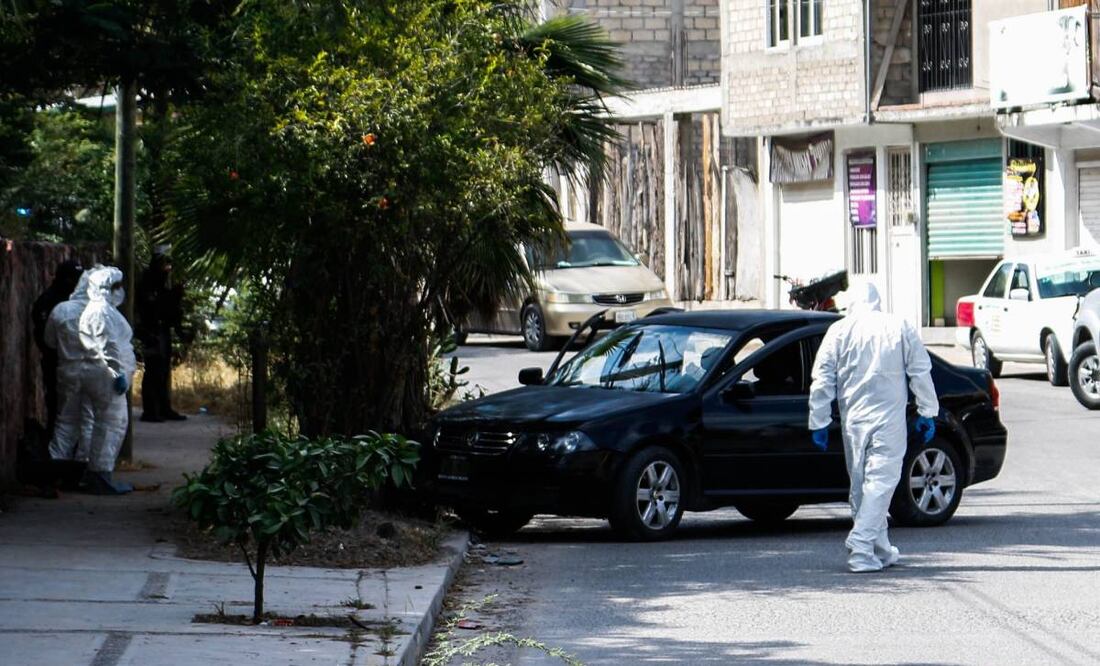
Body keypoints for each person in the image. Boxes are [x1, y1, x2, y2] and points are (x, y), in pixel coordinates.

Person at [807, 283, 938, 573]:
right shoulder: (899, 326)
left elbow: (822, 378)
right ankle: (862, 544)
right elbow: (919, 370)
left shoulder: (839, 331)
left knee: (862, 485)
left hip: (853, 420)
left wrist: (819, 420)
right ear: (878, 300)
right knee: (881, 481)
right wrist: (928, 410)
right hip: (888, 419)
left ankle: (878, 549)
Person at [49, 265, 136, 494]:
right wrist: (117, 374)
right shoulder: (99, 311)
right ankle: (96, 473)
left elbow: (49, 341)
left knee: (71, 422)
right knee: (109, 423)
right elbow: (109, 346)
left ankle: (60, 470)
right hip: (102, 375)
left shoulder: (70, 309)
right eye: (116, 286)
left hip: (75, 372)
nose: (121, 290)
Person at [43, 270, 96, 464]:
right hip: (94, 372)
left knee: (65, 420)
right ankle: (85, 465)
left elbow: (49, 341)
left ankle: (57, 463)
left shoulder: (61, 309)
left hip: (68, 370)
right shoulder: (102, 312)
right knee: (89, 419)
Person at [32, 259, 84, 435]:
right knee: (58, 412)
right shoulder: (49, 301)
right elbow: (44, 338)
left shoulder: (77, 301)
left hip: (77, 364)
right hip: (56, 363)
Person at [135, 249, 186, 422]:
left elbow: (168, 309)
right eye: (164, 266)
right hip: (151, 332)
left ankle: (163, 408)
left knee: (163, 371)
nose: (167, 270)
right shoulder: (147, 285)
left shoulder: (160, 285)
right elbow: (150, 308)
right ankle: (150, 410)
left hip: (161, 331)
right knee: (153, 372)